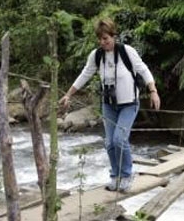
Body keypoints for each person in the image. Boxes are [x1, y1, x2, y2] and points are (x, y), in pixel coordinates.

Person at [59, 18, 161, 193]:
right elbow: (85, 75)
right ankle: (115, 176)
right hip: (109, 105)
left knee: (119, 140)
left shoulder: (126, 52)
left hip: (129, 104)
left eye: (106, 38)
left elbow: (143, 69)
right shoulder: (96, 55)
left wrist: (153, 91)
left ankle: (127, 175)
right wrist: (68, 94)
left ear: (114, 36)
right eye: (100, 39)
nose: (102, 42)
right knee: (110, 143)